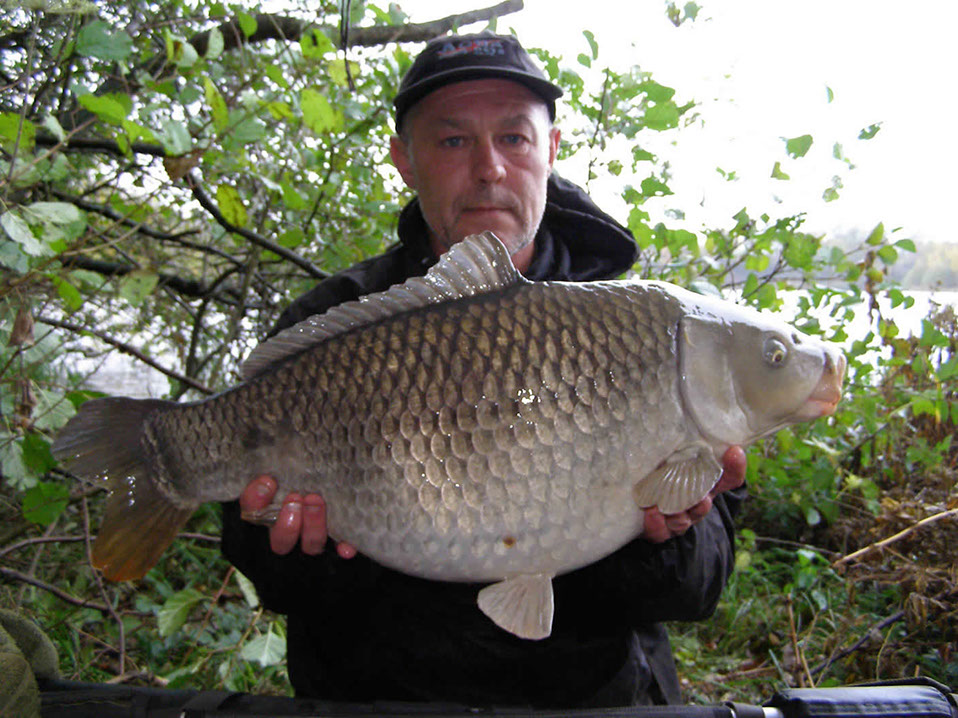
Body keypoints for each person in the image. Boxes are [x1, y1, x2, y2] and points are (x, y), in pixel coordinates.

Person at [221, 32, 746, 708]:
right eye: (451, 141)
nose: (489, 168)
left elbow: (698, 589)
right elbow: (264, 567)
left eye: (515, 138)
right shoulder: (335, 322)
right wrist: (310, 553)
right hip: (378, 699)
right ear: (404, 161)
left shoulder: (650, 332)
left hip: (595, 699)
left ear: (550, 152)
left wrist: (659, 539)